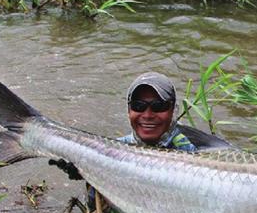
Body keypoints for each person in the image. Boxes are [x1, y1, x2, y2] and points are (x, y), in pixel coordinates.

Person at [50, 71, 232, 180]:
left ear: (172, 111)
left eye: (158, 106)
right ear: (129, 110)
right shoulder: (114, 150)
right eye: (139, 106)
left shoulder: (190, 150)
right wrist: (88, 175)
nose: (148, 115)